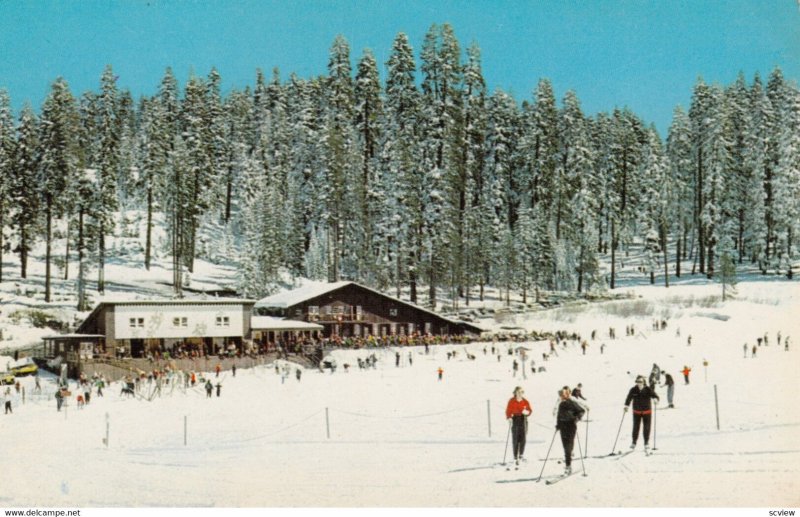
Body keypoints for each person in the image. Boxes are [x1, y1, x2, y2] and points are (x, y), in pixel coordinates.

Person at [624, 375, 660, 451]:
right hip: (636, 412)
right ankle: (634, 443)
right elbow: (628, 398)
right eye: (637, 381)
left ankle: (646, 443)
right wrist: (626, 406)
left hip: (647, 412)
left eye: (640, 382)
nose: (638, 383)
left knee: (646, 428)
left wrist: (655, 399)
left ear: (643, 382)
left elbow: (655, 396)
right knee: (635, 427)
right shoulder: (633, 390)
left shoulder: (648, 389)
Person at [556, 387, 585, 475]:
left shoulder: (571, 403)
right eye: (561, 395)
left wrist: (577, 418)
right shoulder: (561, 404)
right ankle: (568, 463)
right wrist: (558, 425)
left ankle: (568, 466)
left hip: (571, 425)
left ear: (567, 394)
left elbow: (581, 411)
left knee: (568, 446)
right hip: (562, 427)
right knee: (565, 446)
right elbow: (559, 415)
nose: (562, 396)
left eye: (563, 394)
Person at [505, 387, 532, 468]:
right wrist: (509, 417)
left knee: (523, 438)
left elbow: (530, 410)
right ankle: (515, 456)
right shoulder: (512, 401)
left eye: (521, 392)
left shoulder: (525, 401)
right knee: (515, 438)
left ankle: (521, 454)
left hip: (523, 419)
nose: (520, 394)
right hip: (515, 419)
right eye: (518, 392)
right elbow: (508, 410)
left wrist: (527, 412)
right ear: (515, 393)